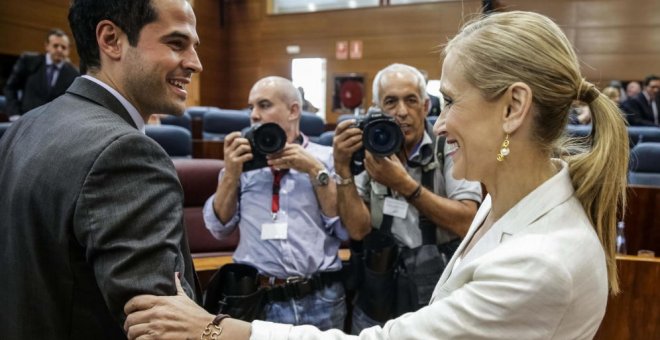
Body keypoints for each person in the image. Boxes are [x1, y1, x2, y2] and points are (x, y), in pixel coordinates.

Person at [124, 10, 628, 340]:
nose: (440, 121)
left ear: (514, 106)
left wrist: (215, 330)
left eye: (446, 101)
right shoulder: (510, 201)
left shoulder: (539, 263)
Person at [0, 0, 203, 338]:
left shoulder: (23, 128)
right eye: (176, 43)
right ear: (111, 40)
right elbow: (165, 329)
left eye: (195, 46)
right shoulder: (128, 155)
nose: (196, 63)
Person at [333, 63, 482, 333]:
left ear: (425, 107)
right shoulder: (369, 148)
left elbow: (468, 223)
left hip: (437, 292)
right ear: (378, 109)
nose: (402, 111)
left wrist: (404, 185)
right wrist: (343, 169)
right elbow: (357, 229)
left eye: (410, 100)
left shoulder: (449, 145)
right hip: (380, 286)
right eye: (391, 101)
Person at [202, 76, 347, 329]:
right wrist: (231, 175)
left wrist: (315, 171)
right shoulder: (242, 161)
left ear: (293, 110)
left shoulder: (325, 159)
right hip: (258, 299)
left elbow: (342, 228)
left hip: (320, 297)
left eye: (264, 105)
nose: (254, 115)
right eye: (251, 107)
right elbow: (219, 227)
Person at [3, 28, 80, 119]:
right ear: (47, 46)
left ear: (69, 50)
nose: (59, 50)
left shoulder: (74, 74)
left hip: (53, 124)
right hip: (25, 119)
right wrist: (14, 114)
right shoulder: (29, 61)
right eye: (55, 46)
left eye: (63, 47)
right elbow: (10, 88)